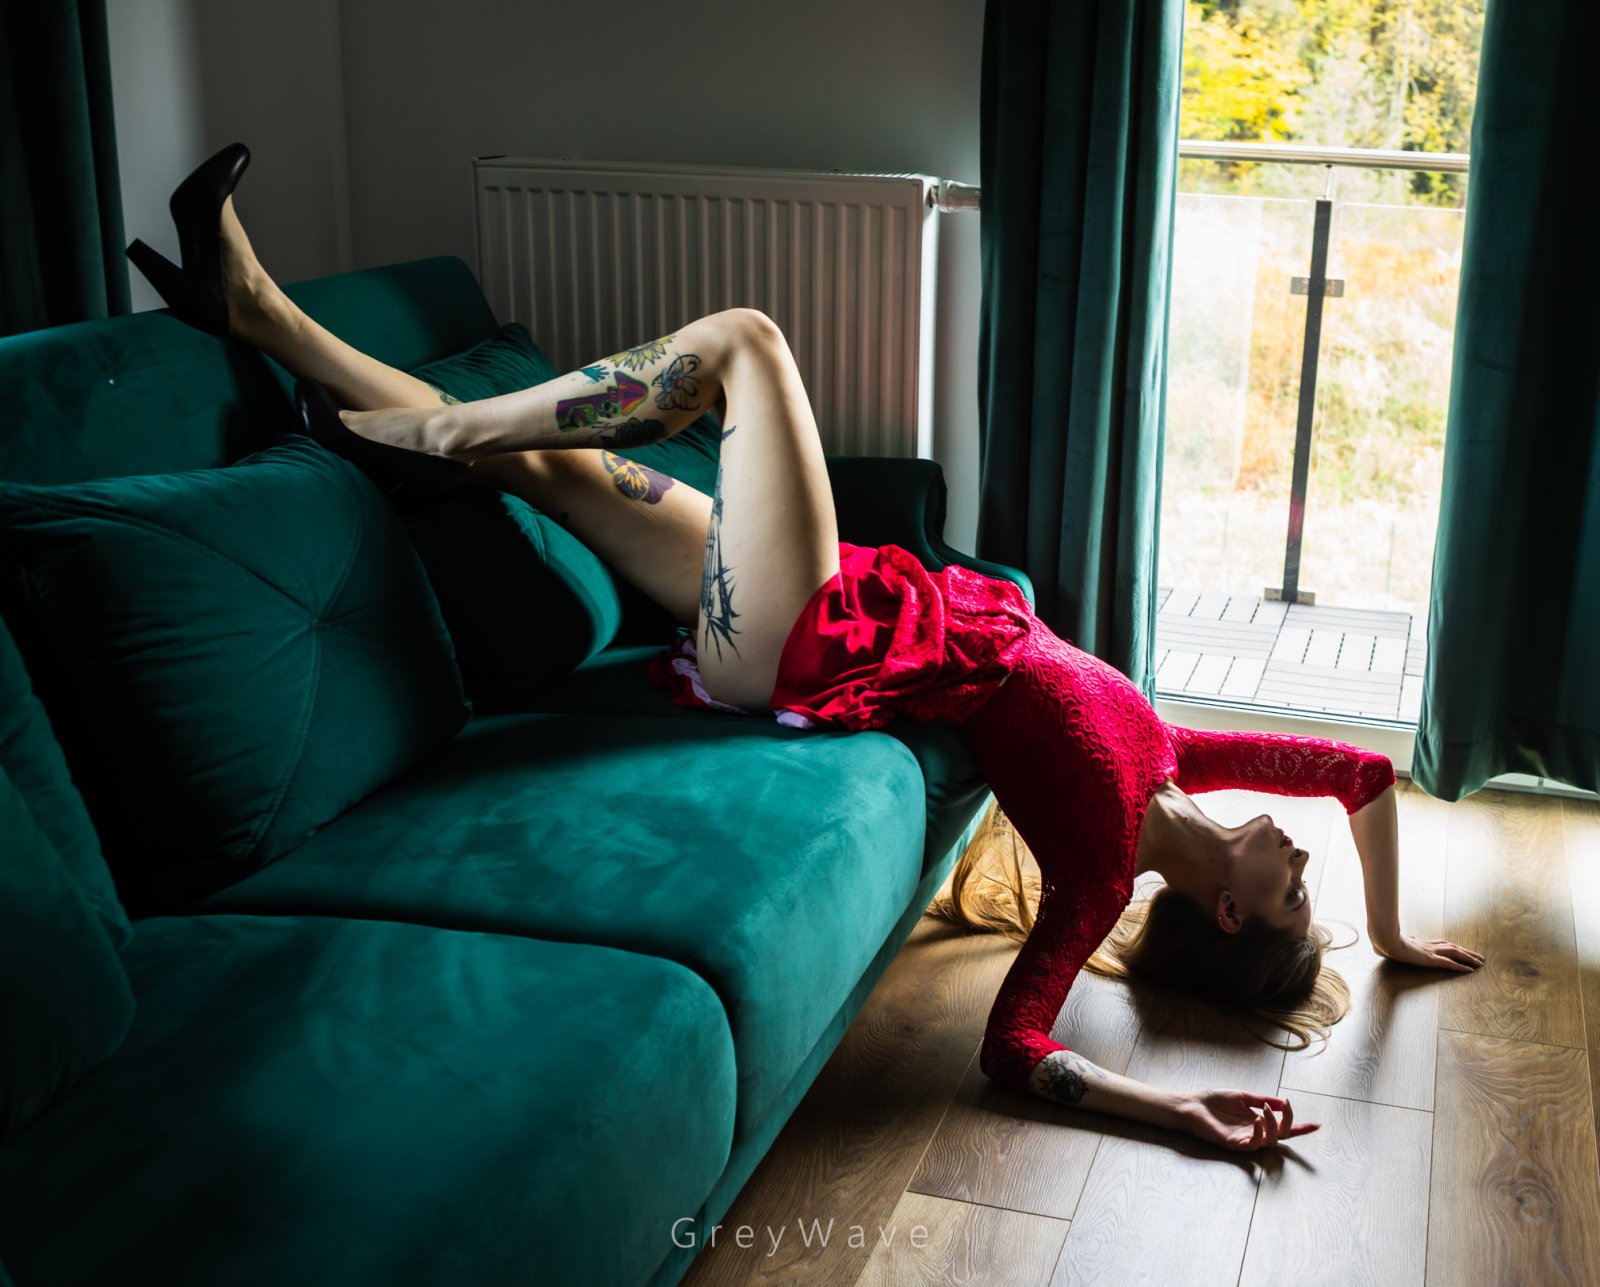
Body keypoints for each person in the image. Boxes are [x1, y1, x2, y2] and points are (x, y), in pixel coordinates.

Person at [127, 143, 1486, 1155]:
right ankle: (261, 315)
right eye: (1309, 878)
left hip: (798, 641)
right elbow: (1362, 774)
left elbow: (1016, 1049)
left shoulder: (1093, 869)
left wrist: (1177, 1113)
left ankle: (436, 433)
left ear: (1229, 913)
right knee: (547, 463)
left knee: (746, 345)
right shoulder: (1177, 753)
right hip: (840, 606)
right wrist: (1386, 934)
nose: (1297, 854)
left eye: (1290, 893)